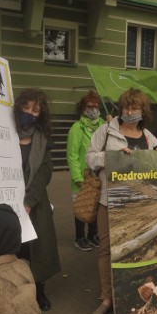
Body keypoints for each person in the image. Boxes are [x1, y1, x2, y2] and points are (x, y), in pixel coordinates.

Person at [85, 88, 157, 314]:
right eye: (127, 107)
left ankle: (133, 292)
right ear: (121, 108)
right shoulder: (106, 131)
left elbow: (155, 168)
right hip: (110, 201)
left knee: (139, 246)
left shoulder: (149, 137)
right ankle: (107, 298)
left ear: (142, 110)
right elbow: (89, 158)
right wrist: (110, 158)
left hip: (140, 202)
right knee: (107, 250)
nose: (130, 111)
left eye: (135, 108)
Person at [14, 89, 60, 311]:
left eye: (35, 109)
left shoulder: (42, 137)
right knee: (14, 249)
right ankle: (14, 292)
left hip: (36, 202)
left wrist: (30, 200)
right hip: (7, 200)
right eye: (26, 107)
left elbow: (45, 171)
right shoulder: (5, 133)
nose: (30, 113)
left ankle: (39, 291)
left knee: (37, 249)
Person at [66, 90, 105, 251]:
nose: (93, 109)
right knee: (82, 207)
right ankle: (80, 237)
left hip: (99, 176)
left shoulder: (104, 125)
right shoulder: (77, 128)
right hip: (83, 177)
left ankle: (92, 235)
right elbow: (72, 154)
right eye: (89, 106)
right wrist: (77, 177)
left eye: (96, 106)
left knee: (95, 207)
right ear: (83, 108)